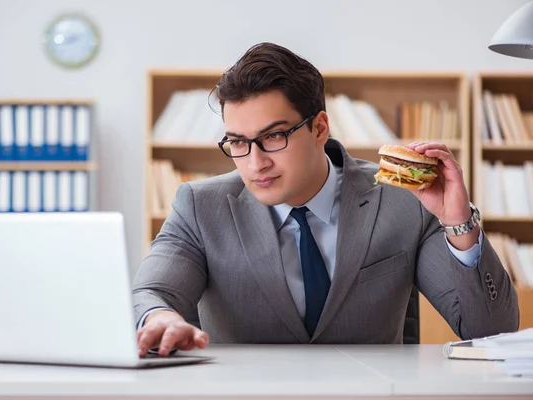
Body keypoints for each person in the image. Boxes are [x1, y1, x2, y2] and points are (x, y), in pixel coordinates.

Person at [132, 42, 519, 357]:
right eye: (238, 142)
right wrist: (158, 317)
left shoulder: (405, 201)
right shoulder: (200, 206)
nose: (255, 162)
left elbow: (493, 331)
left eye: (273, 137)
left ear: (319, 128)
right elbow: (152, 293)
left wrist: (459, 224)